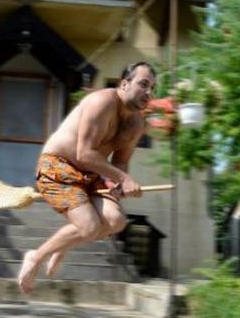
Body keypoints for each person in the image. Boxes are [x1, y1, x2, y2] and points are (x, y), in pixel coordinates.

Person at [18, 62, 156, 293]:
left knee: (117, 221)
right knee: (90, 227)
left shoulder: (136, 123)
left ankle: (64, 245)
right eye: (143, 84)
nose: (149, 92)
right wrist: (123, 179)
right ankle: (36, 256)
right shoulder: (102, 102)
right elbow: (84, 153)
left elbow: (120, 162)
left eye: (152, 88)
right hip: (57, 166)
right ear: (124, 84)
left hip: (91, 173)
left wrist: (116, 183)